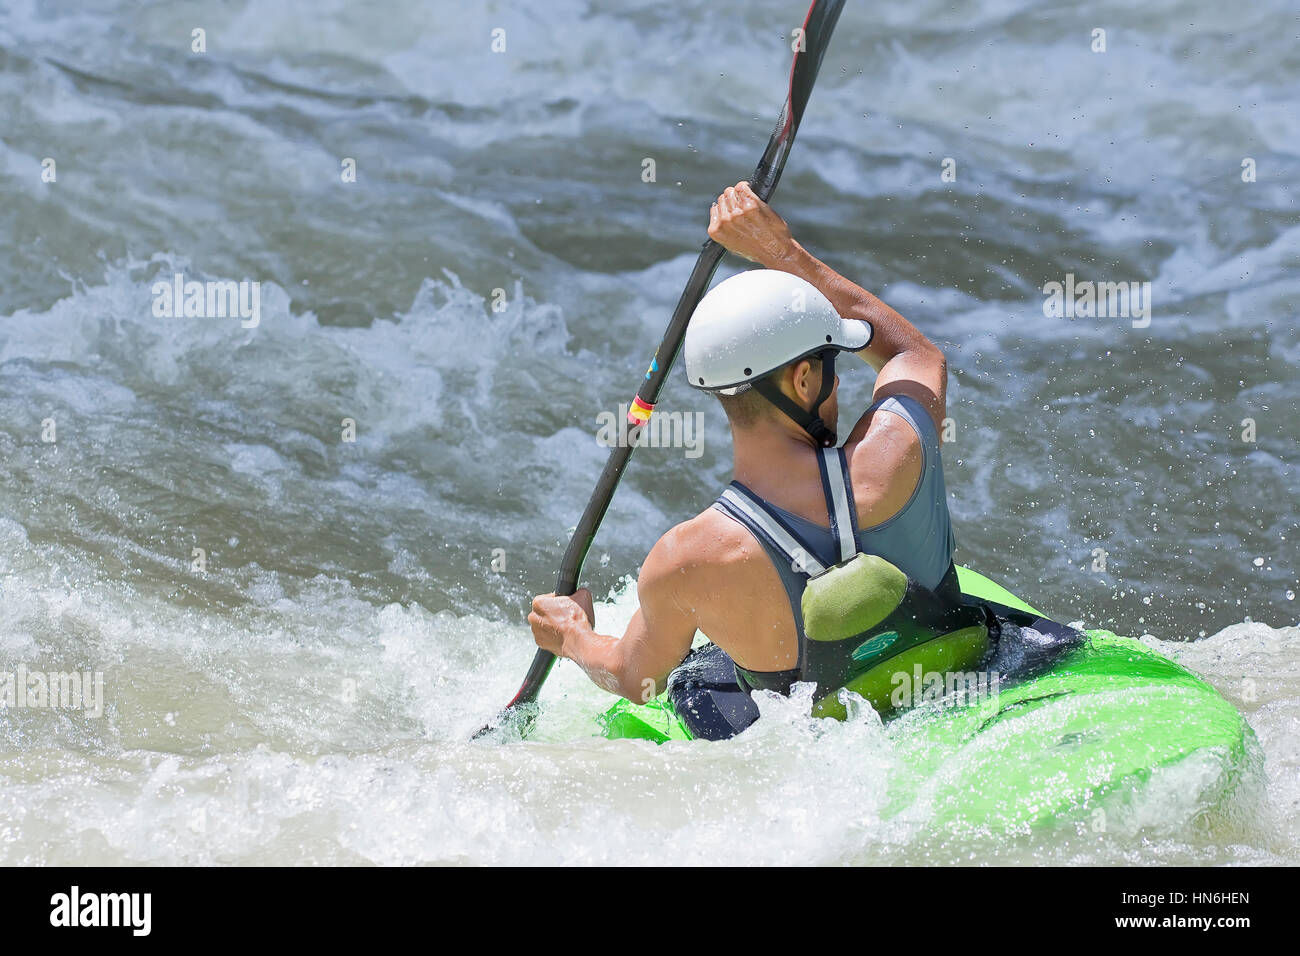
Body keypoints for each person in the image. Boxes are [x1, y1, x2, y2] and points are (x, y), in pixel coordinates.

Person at [528, 181, 1076, 739]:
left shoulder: (685, 560)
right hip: (968, 679)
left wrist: (572, 633)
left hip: (824, 746)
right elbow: (914, 353)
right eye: (831, 364)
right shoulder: (897, 449)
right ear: (806, 377)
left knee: (697, 675)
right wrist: (781, 252)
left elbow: (630, 677)